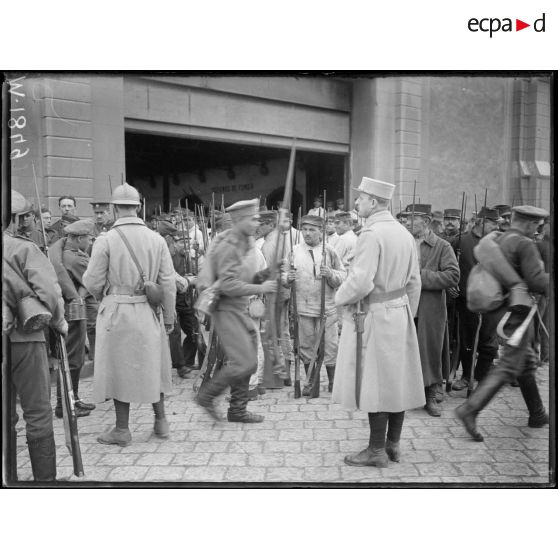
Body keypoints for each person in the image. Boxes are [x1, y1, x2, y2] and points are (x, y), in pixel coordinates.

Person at [332, 178, 425, 467]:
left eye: (360, 198)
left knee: (377, 384)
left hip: (376, 315)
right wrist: (407, 314)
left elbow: (360, 281)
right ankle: (392, 445)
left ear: (374, 202)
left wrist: (338, 298)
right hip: (400, 313)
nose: (356, 203)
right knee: (396, 381)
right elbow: (414, 282)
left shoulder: (371, 234)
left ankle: (376, 451)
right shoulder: (404, 233)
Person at [83, 183, 176, 446]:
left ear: (114, 208)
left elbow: (91, 281)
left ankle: (122, 430)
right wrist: (168, 316)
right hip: (149, 310)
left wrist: (106, 295)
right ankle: (161, 422)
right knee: (153, 363)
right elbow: (167, 282)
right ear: (139, 207)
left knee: (118, 369)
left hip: (117, 312)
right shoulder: (157, 239)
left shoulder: (106, 240)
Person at [455, 205, 550, 441]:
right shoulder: (525, 244)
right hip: (518, 312)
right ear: (529, 224)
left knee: (524, 361)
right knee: (509, 364)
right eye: (536, 226)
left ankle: (537, 413)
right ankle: (470, 409)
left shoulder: (499, 239)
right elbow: (537, 281)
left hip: (502, 309)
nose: (537, 230)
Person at [195, 199, 278, 423]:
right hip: (226, 309)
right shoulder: (229, 246)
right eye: (252, 218)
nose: (257, 222)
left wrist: (270, 272)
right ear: (239, 220)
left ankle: (237, 410)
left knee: (248, 357)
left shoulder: (245, 241)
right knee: (245, 362)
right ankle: (207, 396)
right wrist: (262, 287)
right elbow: (228, 285)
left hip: (240, 307)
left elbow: (245, 278)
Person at [4, 191, 67, 481]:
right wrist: (59, 321)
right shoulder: (24, 249)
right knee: (38, 413)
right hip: (25, 340)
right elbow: (50, 294)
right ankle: (45, 486)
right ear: (14, 219)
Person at [403, 204, 460, 416]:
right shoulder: (403, 243)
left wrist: (420, 276)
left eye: (412, 219)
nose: (407, 223)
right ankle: (407, 394)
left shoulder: (442, 246)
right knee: (406, 351)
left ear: (426, 221)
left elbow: (453, 276)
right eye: (406, 219)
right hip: (405, 305)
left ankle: (431, 394)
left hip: (429, 309)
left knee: (430, 351)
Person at [283, 214, 346, 395]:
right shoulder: (294, 251)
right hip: (303, 308)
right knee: (305, 346)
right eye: (304, 229)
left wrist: (331, 274)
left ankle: (334, 382)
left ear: (321, 231)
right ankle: (311, 382)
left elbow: (343, 275)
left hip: (327, 308)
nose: (307, 233)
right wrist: (288, 277)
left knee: (330, 345)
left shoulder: (330, 251)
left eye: (312, 229)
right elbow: (283, 276)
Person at [49, 220, 98, 418]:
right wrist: (82, 291)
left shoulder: (63, 253)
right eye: (88, 238)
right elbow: (94, 279)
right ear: (79, 238)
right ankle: (65, 404)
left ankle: (73, 399)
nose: (90, 241)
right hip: (73, 313)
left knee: (73, 358)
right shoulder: (75, 259)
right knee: (72, 359)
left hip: (68, 310)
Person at [450, 207, 501, 391]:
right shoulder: (461, 240)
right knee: (467, 341)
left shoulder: (498, 242)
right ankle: (466, 376)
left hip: (491, 301)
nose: (496, 226)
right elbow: (450, 267)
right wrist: (452, 285)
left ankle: (480, 377)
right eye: (493, 223)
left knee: (488, 342)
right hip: (466, 300)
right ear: (481, 221)